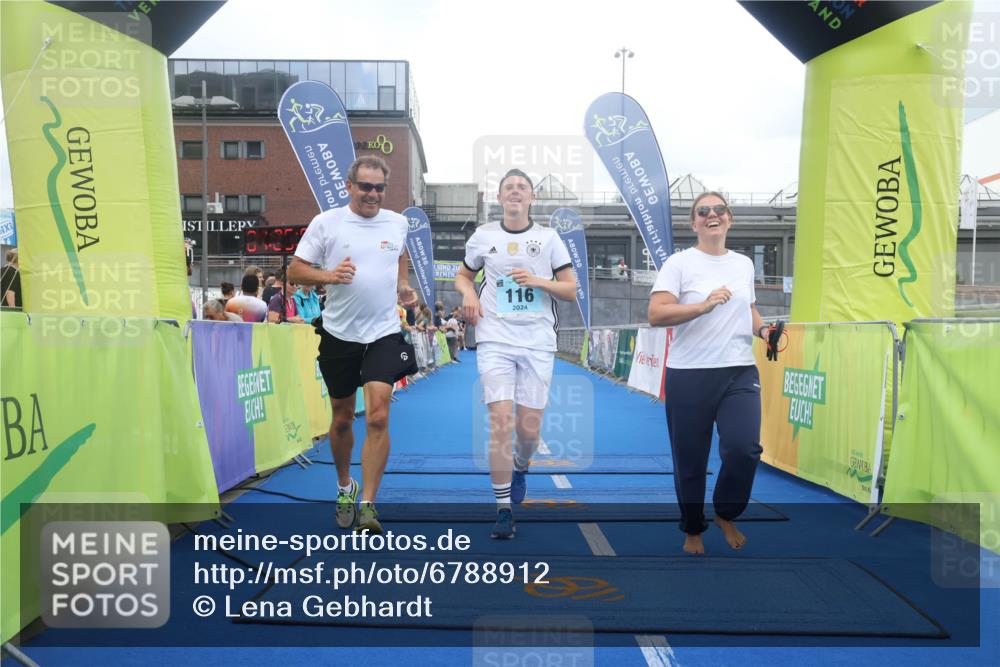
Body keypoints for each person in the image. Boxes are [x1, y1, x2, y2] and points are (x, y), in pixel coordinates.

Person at [288, 155, 418, 535]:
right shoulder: (326, 222)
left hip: (383, 332)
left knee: (378, 414)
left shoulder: (397, 222)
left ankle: (368, 506)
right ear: (349, 187)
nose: (372, 194)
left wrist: (404, 284)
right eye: (365, 186)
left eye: (379, 188)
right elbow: (296, 269)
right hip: (339, 334)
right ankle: (346, 487)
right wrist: (329, 275)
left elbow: (401, 255)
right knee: (342, 418)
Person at [455, 168, 577, 539]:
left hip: (538, 341)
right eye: (509, 187)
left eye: (522, 187)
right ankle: (503, 507)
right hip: (495, 338)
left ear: (531, 198)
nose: (515, 192)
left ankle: (522, 464)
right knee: (501, 423)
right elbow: (463, 274)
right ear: (499, 197)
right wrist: (470, 293)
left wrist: (537, 280)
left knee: (528, 429)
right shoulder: (483, 237)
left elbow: (570, 289)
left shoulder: (549, 238)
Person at [647, 191, 766, 555]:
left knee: (743, 449)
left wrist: (764, 331)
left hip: (739, 372)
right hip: (690, 374)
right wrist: (703, 305)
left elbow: (750, 310)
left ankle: (726, 512)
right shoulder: (680, 264)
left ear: (729, 219)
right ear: (694, 223)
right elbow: (656, 314)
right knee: (690, 460)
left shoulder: (744, 264)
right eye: (703, 211)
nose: (712, 214)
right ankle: (693, 528)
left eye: (719, 209)